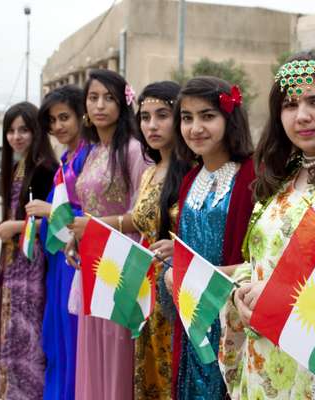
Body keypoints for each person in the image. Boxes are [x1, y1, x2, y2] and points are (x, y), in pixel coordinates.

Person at [226, 50, 315, 399]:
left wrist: (281, 295)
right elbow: (259, 262)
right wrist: (240, 292)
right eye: (290, 105)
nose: (302, 116)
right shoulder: (279, 180)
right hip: (264, 357)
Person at [161, 76, 255, 399]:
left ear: (230, 119)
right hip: (194, 317)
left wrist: (200, 276)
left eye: (207, 116)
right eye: (187, 118)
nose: (195, 127)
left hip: (231, 315)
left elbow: (259, 259)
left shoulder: (252, 176)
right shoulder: (190, 179)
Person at [66, 69, 150, 400]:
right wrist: (78, 236)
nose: (100, 105)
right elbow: (89, 209)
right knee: (93, 349)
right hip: (92, 259)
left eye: (109, 98)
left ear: (123, 103)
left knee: (116, 353)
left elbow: (144, 217)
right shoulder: (94, 151)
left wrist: (99, 228)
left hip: (121, 262)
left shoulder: (133, 150)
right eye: (93, 97)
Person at [0, 101, 58, 399]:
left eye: (24, 130)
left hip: (35, 270)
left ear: (37, 131)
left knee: (31, 339)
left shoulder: (45, 169)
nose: (16, 137)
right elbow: (20, 218)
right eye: (11, 131)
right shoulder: (17, 167)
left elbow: (53, 224)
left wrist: (14, 228)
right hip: (14, 266)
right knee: (10, 336)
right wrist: (3, 226)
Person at [23, 85, 91, 400]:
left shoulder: (91, 157)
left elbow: (95, 214)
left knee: (74, 341)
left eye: (64, 117)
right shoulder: (68, 157)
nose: (58, 126)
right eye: (52, 120)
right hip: (60, 261)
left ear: (81, 115)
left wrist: (51, 210)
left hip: (78, 261)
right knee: (58, 341)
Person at [130, 81, 190, 399]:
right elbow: (141, 225)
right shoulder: (149, 172)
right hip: (147, 291)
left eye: (162, 115)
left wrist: (179, 249)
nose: (151, 125)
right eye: (145, 117)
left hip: (177, 291)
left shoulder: (193, 170)